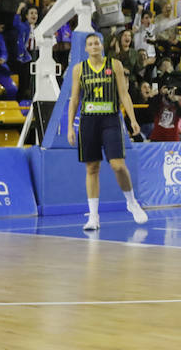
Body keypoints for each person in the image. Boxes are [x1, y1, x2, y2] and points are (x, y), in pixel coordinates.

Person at [66, 33, 146, 231]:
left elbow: (123, 93)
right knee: (92, 168)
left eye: (96, 43)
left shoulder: (115, 65)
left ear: (101, 45)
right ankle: (93, 217)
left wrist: (133, 119)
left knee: (118, 165)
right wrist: (70, 126)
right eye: (90, 44)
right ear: (86, 49)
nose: (94, 46)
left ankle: (131, 202)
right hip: (88, 121)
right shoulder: (79, 69)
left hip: (110, 119)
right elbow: (74, 99)